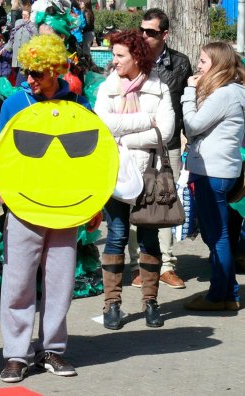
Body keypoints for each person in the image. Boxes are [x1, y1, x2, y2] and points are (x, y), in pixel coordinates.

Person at [0, 34, 94, 384]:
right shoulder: (14, 103)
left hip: (65, 207)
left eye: (36, 73)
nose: (28, 78)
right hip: (23, 205)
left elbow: (92, 159)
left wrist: (95, 202)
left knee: (60, 281)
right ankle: (16, 354)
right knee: (17, 282)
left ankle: (53, 350)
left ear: (56, 70)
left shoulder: (79, 103)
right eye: (25, 71)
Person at [94, 29, 175, 330]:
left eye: (119, 56)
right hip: (115, 174)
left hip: (149, 173)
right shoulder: (107, 88)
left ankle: (150, 301)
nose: (113, 61)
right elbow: (103, 124)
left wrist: (123, 136)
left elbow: (165, 133)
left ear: (136, 57)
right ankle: (111, 304)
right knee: (115, 234)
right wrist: (144, 121)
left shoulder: (159, 88)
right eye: (113, 55)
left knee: (149, 237)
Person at [128, 8, 193, 289]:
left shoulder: (180, 63)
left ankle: (166, 265)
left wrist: (191, 142)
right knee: (132, 199)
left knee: (165, 201)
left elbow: (186, 104)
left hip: (168, 145)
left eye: (151, 32)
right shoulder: (131, 59)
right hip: (134, 143)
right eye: (142, 30)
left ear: (164, 34)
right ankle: (139, 265)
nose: (144, 36)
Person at [181, 42, 245, 311]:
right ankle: (228, 293)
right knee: (218, 235)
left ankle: (218, 296)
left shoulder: (225, 95)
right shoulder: (236, 91)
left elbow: (193, 125)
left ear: (218, 64)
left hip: (212, 171)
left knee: (217, 236)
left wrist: (188, 92)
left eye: (204, 61)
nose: (198, 65)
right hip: (224, 169)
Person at [3, 7, 36, 86]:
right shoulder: (18, 22)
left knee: (20, 81)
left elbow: (36, 42)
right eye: (22, 15)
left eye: (26, 15)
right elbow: (12, 38)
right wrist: (5, 48)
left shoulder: (34, 26)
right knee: (15, 77)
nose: (23, 17)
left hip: (26, 59)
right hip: (16, 57)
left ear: (30, 15)